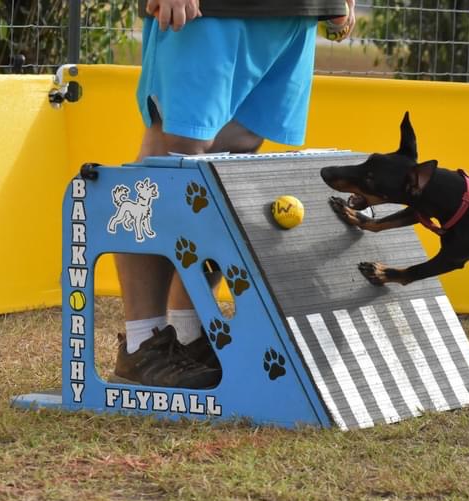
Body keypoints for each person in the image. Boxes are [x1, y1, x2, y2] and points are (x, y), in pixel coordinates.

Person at [111, 0, 355, 389]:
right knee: (172, 158)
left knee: (231, 162)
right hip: (206, 13)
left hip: (292, 15)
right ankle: (144, 344)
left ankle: (189, 335)